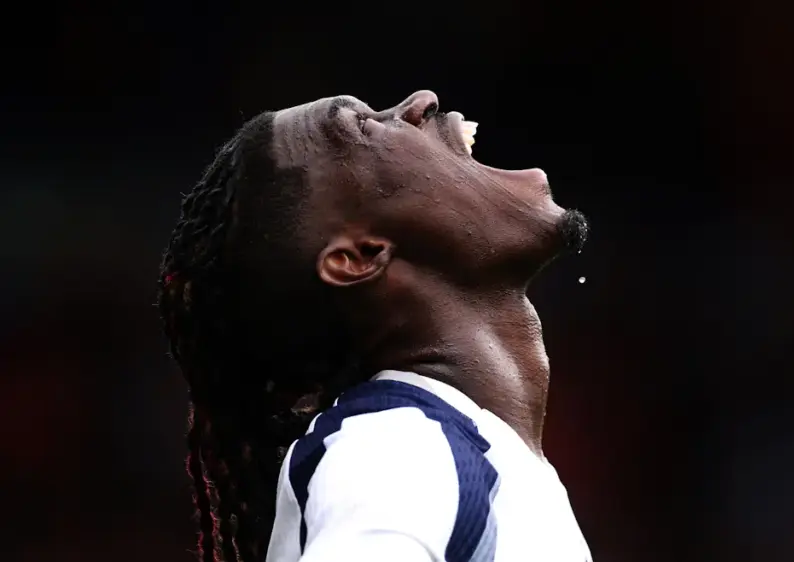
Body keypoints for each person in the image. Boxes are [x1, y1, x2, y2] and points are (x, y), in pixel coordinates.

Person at [156, 90, 592, 562]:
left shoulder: (449, 455)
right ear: (360, 257)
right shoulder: (398, 454)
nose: (422, 101)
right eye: (363, 128)